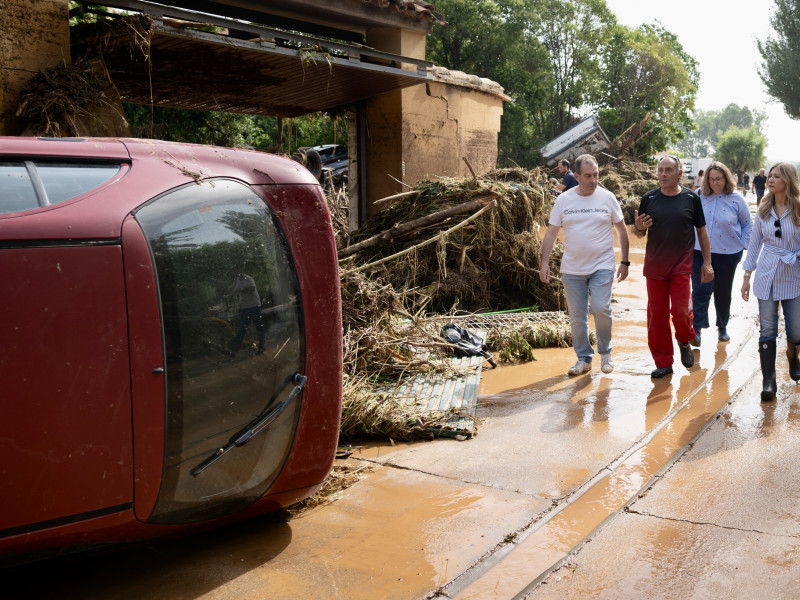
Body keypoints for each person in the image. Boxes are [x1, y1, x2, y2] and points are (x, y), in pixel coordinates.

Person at [540, 154, 630, 376]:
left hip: (602, 265)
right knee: (577, 316)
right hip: (572, 269)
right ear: (576, 176)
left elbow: (622, 230)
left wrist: (625, 261)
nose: (593, 180)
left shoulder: (607, 197)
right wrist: (544, 262)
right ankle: (584, 358)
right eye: (588, 176)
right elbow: (551, 232)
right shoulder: (564, 200)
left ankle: (606, 354)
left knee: (601, 308)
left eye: (596, 175)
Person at [631, 155, 714, 378]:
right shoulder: (649, 198)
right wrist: (637, 227)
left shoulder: (691, 198)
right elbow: (639, 233)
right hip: (655, 267)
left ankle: (685, 339)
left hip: (681, 265)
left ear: (679, 173)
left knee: (679, 311)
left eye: (668, 170)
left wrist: (707, 262)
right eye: (660, 170)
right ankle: (664, 362)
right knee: (657, 317)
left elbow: (702, 231)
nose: (663, 174)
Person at [741, 162, 800, 401]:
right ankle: (769, 381)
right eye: (770, 176)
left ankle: (793, 355)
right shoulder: (764, 207)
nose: (771, 180)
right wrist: (746, 276)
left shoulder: (798, 208)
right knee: (767, 328)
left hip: (794, 275)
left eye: (776, 176)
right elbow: (755, 244)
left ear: (788, 180)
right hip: (766, 275)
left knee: (796, 331)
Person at [690, 161, 752, 344]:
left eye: (718, 179)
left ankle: (722, 326)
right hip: (699, 252)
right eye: (711, 179)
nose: (715, 183)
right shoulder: (698, 196)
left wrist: (743, 245)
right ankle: (698, 329)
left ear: (726, 178)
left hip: (728, 253)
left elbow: (747, 224)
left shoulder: (736, 199)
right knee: (700, 290)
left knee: (722, 291)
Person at [230, 272, 267, 355]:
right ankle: (233, 349)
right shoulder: (237, 281)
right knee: (241, 329)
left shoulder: (249, 279)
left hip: (254, 306)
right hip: (244, 307)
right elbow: (234, 292)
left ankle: (262, 346)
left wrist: (240, 290)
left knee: (259, 327)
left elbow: (252, 289)